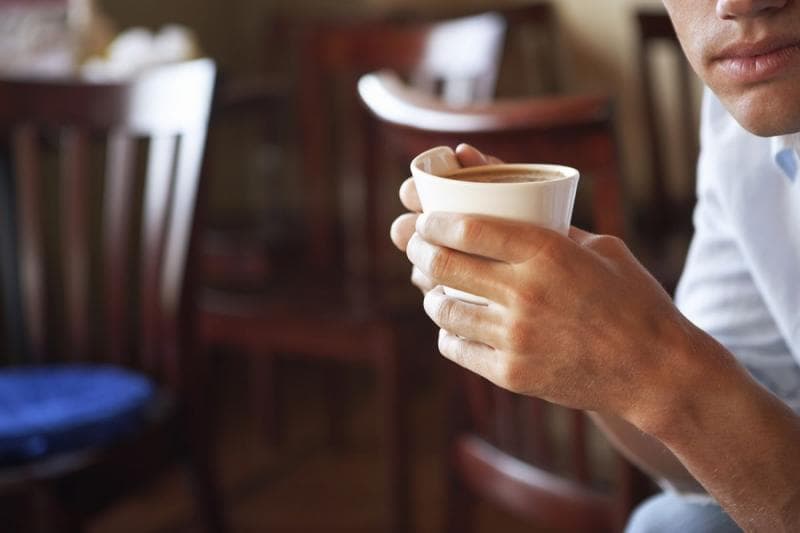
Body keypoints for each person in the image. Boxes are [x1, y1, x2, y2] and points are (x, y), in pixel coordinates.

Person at [390, 0, 800, 531]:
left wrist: (658, 369)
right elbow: (733, 437)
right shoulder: (742, 117)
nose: (738, 2)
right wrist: (590, 353)